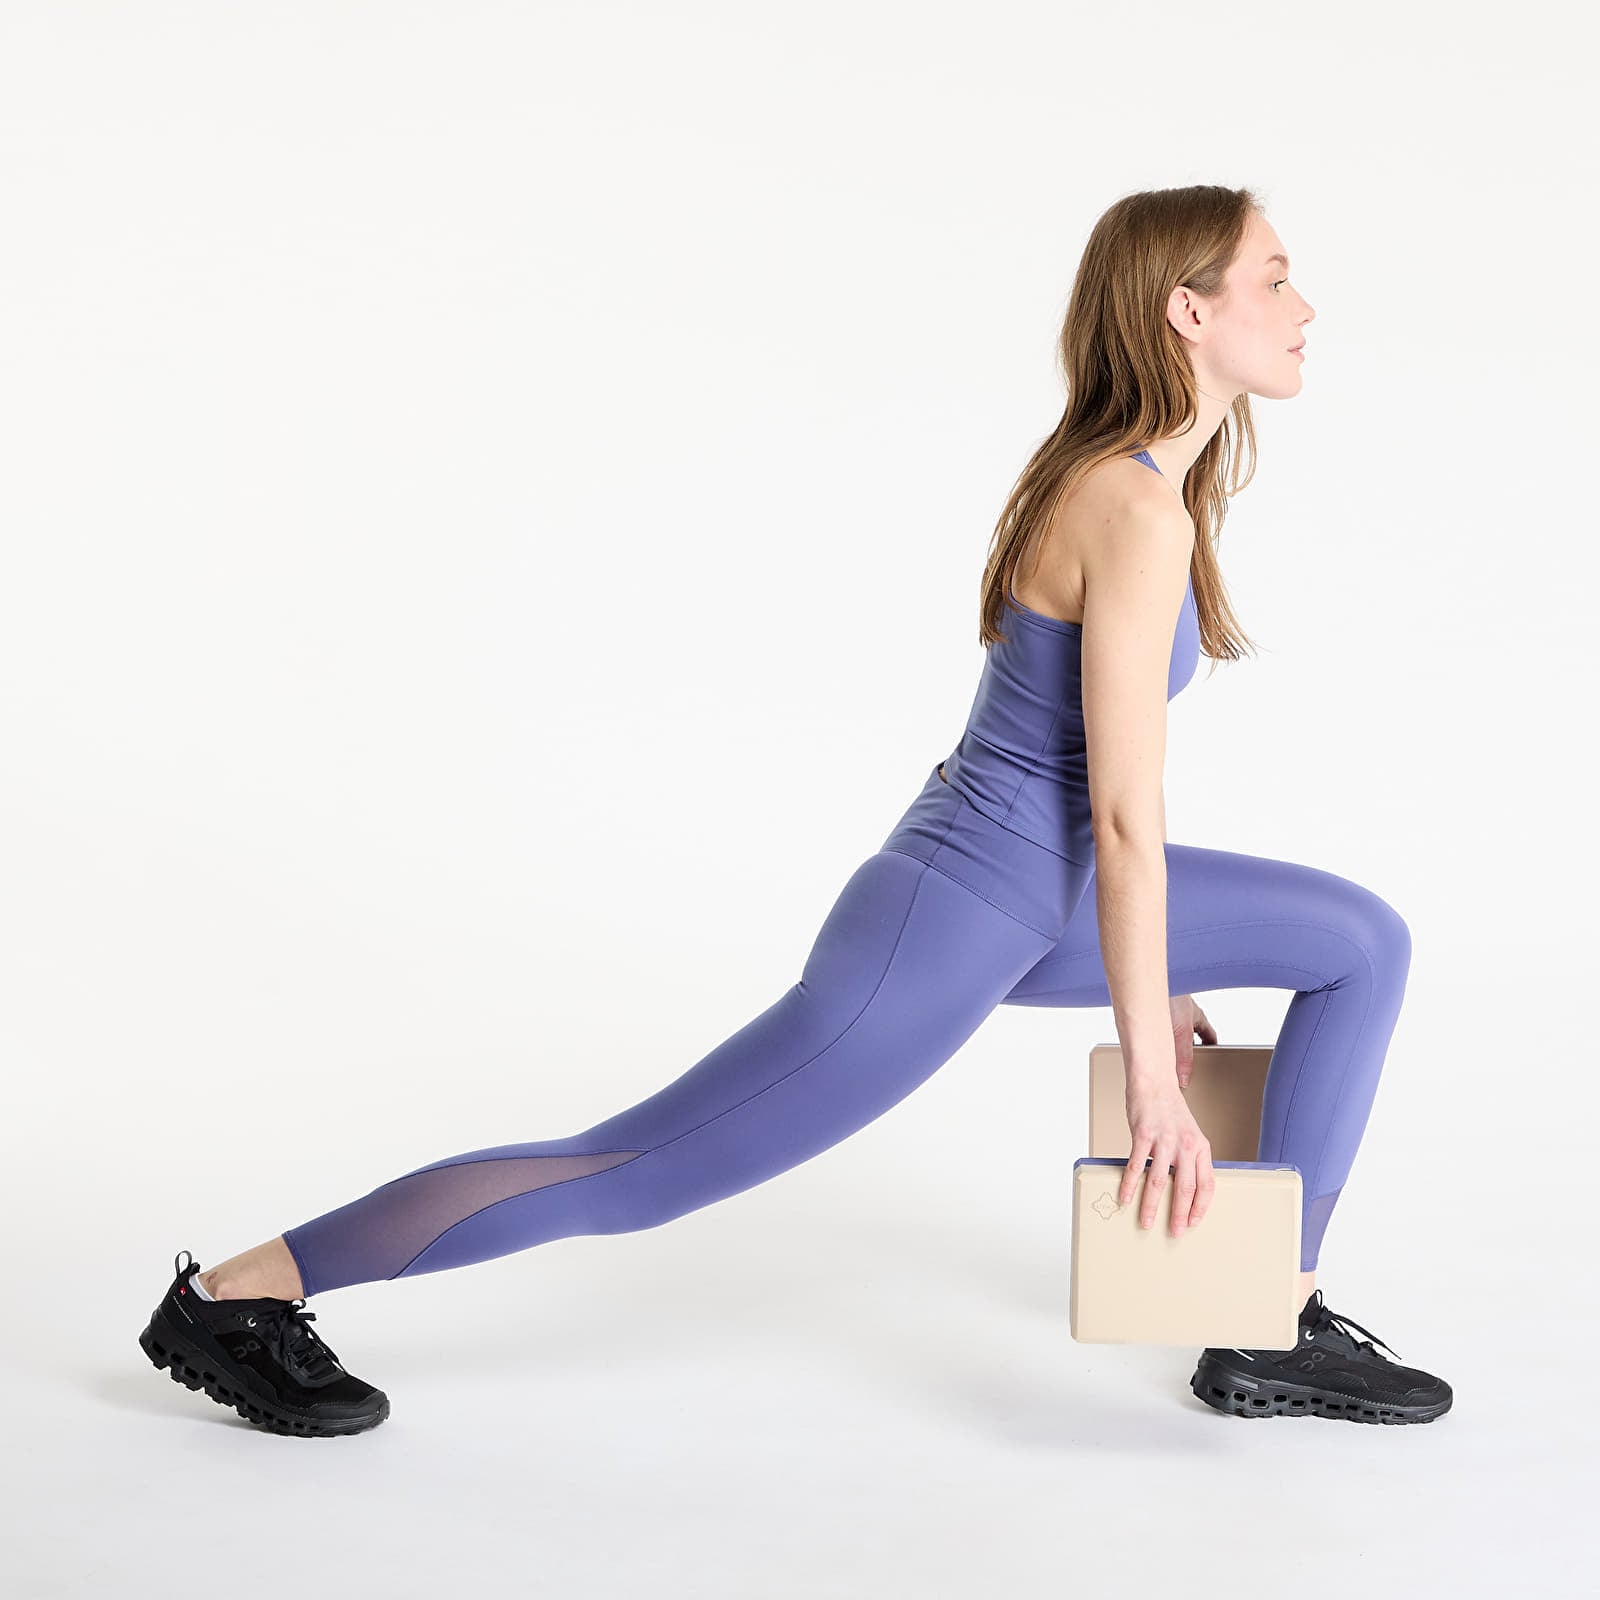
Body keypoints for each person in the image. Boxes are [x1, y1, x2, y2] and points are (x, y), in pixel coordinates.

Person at [138, 184, 1452, 1435]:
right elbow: (1118, 818)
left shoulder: (1146, 488)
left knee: (1359, 943)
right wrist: (1154, 1081)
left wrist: (1160, 972)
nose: (1304, 307)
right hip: (955, 914)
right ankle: (234, 1298)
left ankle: (1268, 1318)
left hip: (1031, 887)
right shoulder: (1131, 505)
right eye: (1276, 279)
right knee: (628, 1172)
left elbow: (1090, 798)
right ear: (1187, 309)